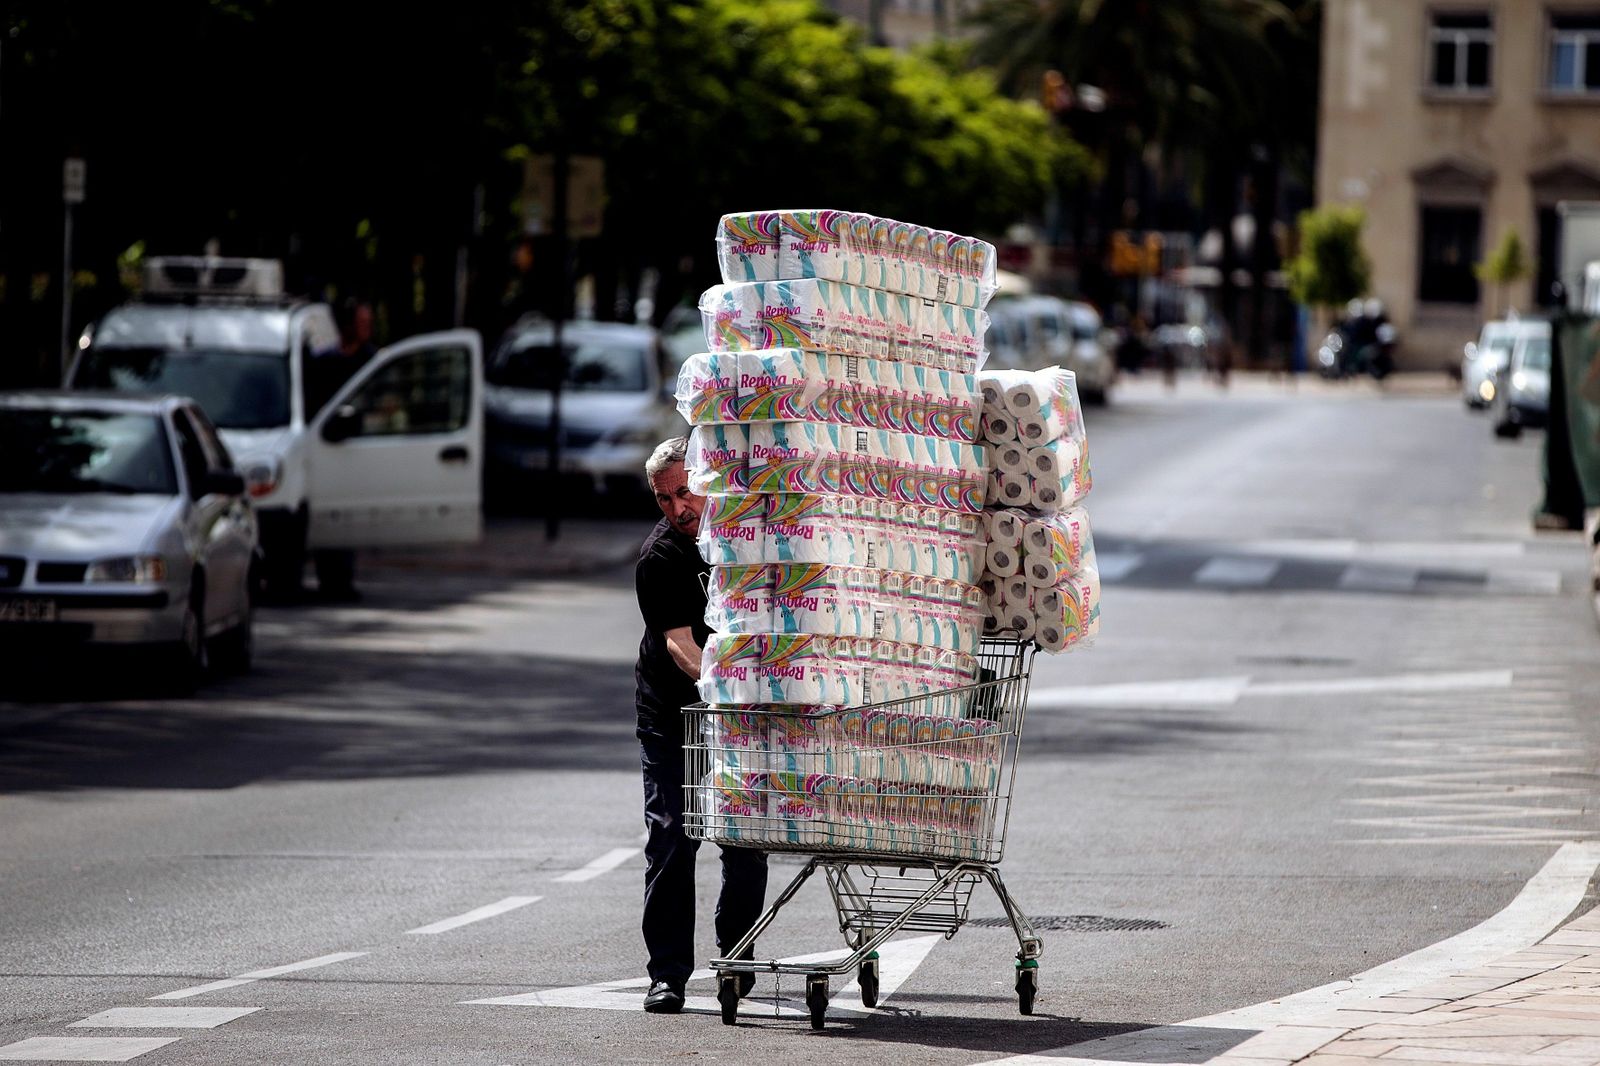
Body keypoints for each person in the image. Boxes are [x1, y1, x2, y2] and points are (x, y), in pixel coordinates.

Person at [634, 436, 767, 1014]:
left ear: (708, 481)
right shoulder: (659, 558)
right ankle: (667, 974)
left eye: (686, 492)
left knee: (743, 840)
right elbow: (680, 645)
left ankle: (735, 957)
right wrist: (723, 688)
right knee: (671, 836)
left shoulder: (742, 537)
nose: (678, 508)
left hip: (737, 714)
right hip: (673, 714)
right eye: (665, 499)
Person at [308, 298, 378, 601]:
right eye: (362, 323)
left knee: (347, 512)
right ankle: (327, 578)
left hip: (357, 445)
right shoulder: (325, 361)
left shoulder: (370, 359)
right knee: (328, 509)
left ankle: (342, 579)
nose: (366, 329)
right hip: (325, 443)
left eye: (369, 324)